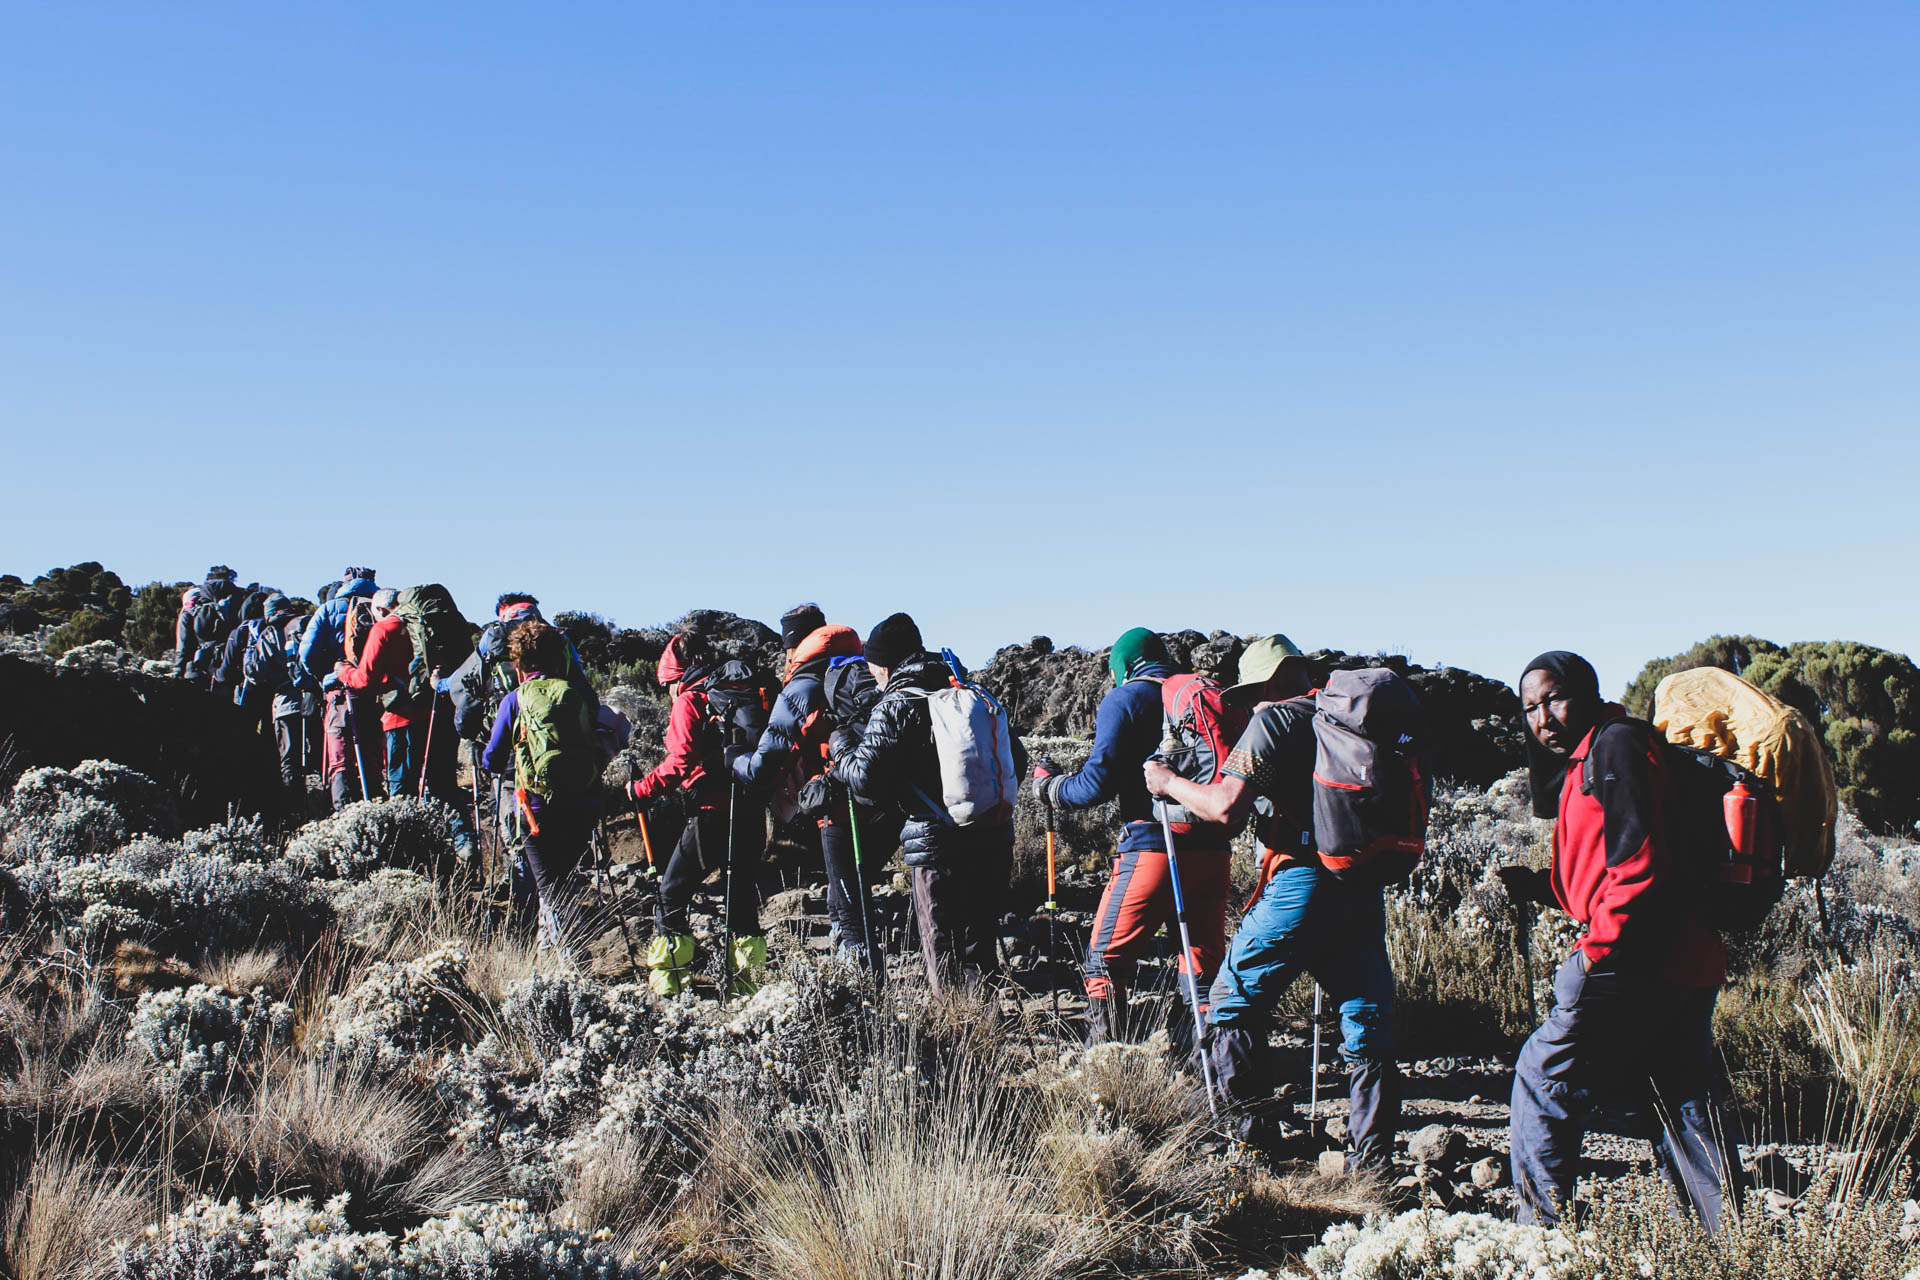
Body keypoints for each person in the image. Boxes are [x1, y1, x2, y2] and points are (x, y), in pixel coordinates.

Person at [1499, 651, 1741, 1230]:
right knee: (1680, 1098)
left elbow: (1638, 860)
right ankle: (1729, 1242)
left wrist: (1595, 949)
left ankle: (1544, 1239)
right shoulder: (1607, 749)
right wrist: (1543, 887)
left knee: (1542, 1076)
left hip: (1633, 955)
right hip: (1685, 954)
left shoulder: (1615, 746)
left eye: (1554, 698)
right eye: (1531, 708)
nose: (1543, 718)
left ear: (1586, 691)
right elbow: (1615, 861)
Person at [1144, 635, 1401, 1173]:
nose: (1245, 706)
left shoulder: (1275, 722)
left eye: (1248, 695)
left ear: (1264, 684)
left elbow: (1225, 810)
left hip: (1300, 883)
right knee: (1366, 1018)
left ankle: (1251, 1150)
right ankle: (1372, 1169)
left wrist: (1169, 782)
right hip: (1359, 880)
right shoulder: (1347, 719)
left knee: (1230, 1003)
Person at [1033, 627, 1231, 1049]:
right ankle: (1202, 1063)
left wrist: (1048, 786)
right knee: (1200, 960)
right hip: (1214, 846)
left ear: (1121, 667)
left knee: (1105, 960)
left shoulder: (1125, 699)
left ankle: (1107, 1063)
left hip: (1154, 847)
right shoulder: (1194, 696)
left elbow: (1094, 785)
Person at [831, 612, 1020, 995]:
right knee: (978, 947)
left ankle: (959, 1041)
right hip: (992, 834)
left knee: (943, 951)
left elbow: (866, 779)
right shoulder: (970, 690)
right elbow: (1017, 755)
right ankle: (986, 1026)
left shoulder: (898, 702)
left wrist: (840, 749)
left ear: (884, 665)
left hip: (936, 845)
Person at [733, 604, 885, 974]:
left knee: (849, 907)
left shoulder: (803, 680)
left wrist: (737, 760)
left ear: (793, 644)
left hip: (836, 800)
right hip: (879, 794)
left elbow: (770, 753)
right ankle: (856, 972)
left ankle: (861, 993)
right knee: (850, 889)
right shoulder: (862, 664)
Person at [631, 632, 769, 997]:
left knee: (672, 894)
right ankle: (747, 988)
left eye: (668, 684)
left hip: (710, 814)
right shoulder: (742, 693)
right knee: (741, 904)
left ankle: (671, 985)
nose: (669, 692)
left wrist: (640, 790)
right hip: (751, 813)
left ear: (678, 675)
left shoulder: (691, 700)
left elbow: (681, 762)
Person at [482, 620, 602, 967]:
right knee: (563, 880)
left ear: (518, 662)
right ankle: (551, 965)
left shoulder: (515, 700)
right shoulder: (576, 692)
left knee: (551, 889)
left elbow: (492, 758)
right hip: (582, 803)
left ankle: (576, 963)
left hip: (537, 809)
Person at [334, 588, 478, 859]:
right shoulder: (437, 626)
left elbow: (365, 680)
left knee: (403, 791)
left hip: (402, 721)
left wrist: (344, 672)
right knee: (444, 783)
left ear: (379, 610)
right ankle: (464, 843)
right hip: (441, 715)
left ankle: (410, 856)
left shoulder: (385, 629)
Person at [297, 567, 385, 809]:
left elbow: (306, 653)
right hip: (375, 693)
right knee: (372, 757)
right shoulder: (382, 606)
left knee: (341, 758)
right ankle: (376, 811)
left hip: (340, 693)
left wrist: (324, 677)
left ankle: (344, 815)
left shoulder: (329, 609)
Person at [237, 593, 318, 821]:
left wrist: (248, 658)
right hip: (314, 700)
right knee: (319, 757)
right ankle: (326, 808)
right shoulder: (305, 624)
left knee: (290, 760)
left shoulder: (269, 634)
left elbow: (257, 673)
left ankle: (296, 812)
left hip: (286, 704)